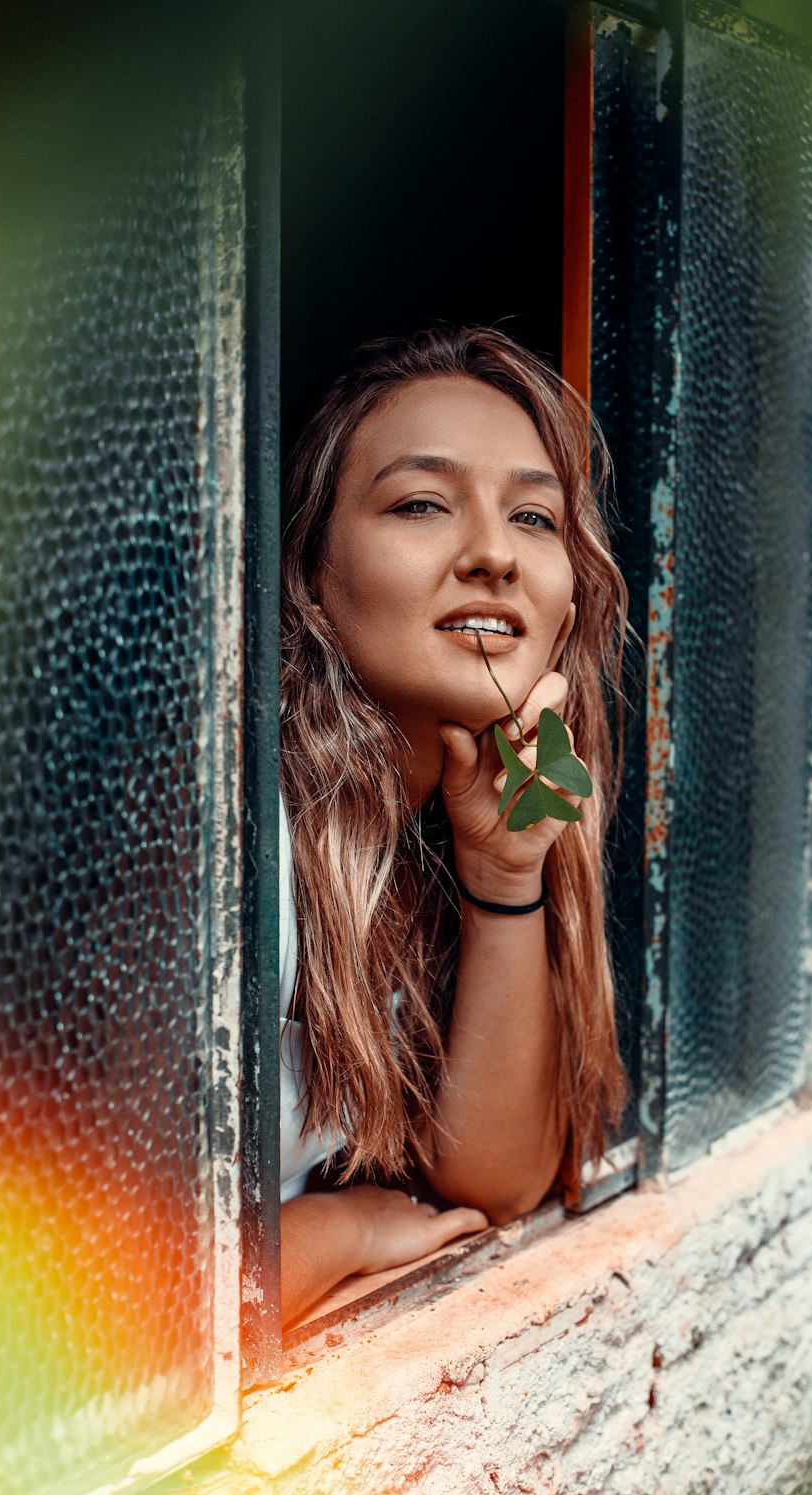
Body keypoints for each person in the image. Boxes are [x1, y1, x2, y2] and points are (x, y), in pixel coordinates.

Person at [278, 325, 629, 1329]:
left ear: (569, 602)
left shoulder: (412, 845)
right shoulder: (220, 857)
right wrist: (333, 1235)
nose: (491, 555)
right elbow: (117, 1319)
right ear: (309, 574)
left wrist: (499, 870)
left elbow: (496, 1182)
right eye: (421, 504)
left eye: (534, 516)